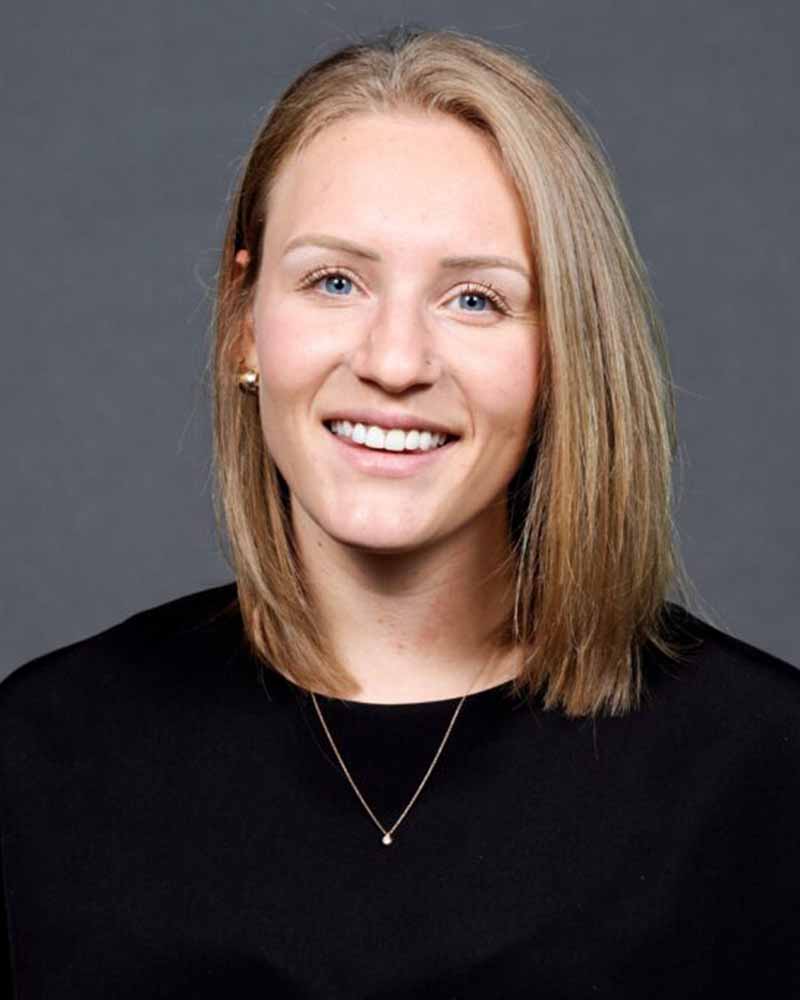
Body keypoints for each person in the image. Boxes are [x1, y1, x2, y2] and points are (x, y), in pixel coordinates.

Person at [1, 24, 798, 999]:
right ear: (246, 325)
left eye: (474, 299)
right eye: (334, 282)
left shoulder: (762, 768)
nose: (393, 361)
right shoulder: (44, 751)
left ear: (564, 355)